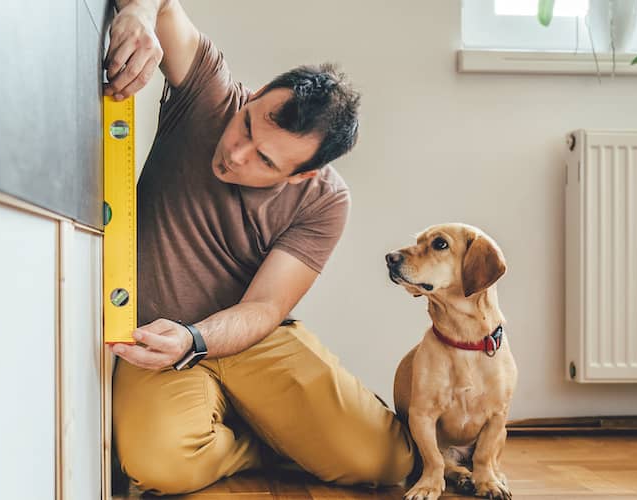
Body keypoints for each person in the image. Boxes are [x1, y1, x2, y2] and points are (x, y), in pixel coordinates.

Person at [103, 0, 416, 495]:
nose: (235, 153)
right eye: (248, 124)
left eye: (264, 160)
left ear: (302, 174)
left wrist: (197, 337)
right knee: (161, 468)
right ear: (260, 93)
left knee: (385, 461)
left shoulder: (325, 200)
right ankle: (265, 440)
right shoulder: (210, 93)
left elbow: (266, 305)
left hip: (249, 336)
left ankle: (280, 428)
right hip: (156, 339)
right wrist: (139, 14)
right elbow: (161, 3)